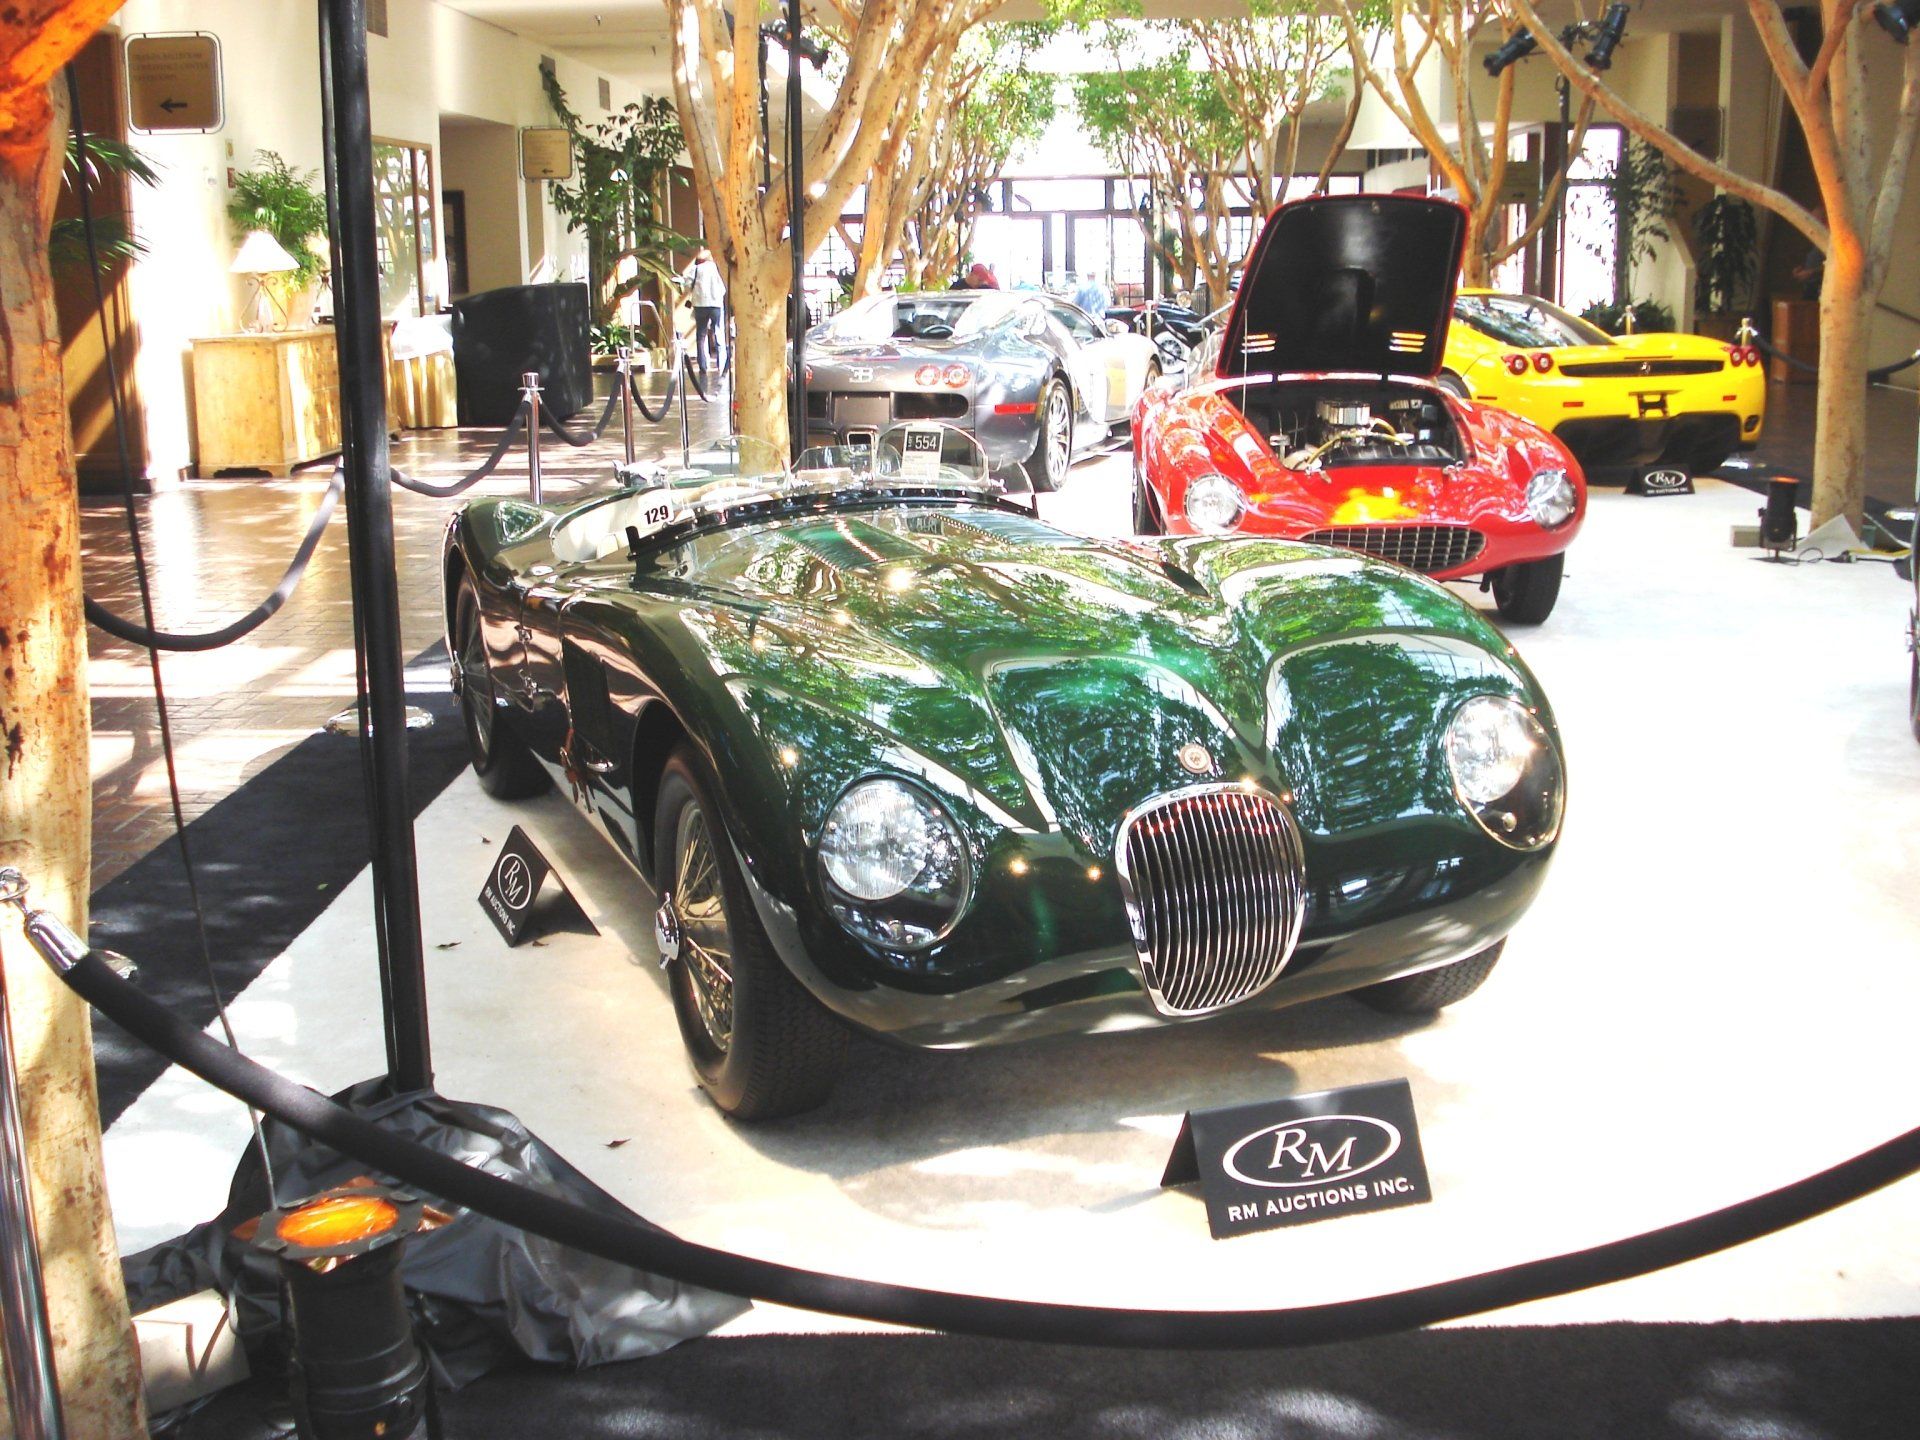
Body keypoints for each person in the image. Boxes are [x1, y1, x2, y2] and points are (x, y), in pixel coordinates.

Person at [682, 246, 726, 376]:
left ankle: (703, 365)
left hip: (700, 305)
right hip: (716, 305)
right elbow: (723, 288)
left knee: (701, 336)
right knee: (718, 333)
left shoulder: (695, 269)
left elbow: (687, 285)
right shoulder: (718, 269)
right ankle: (721, 365)